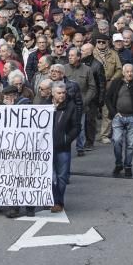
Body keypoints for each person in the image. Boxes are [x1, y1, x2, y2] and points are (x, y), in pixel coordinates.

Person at [105, 64, 133, 178]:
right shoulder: (116, 83)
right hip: (118, 117)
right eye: (127, 72)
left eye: (131, 71)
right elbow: (107, 98)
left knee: (130, 144)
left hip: (132, 118)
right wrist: (114, 113)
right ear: (123, 73)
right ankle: (119, 164)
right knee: (117, 141)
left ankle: (128, 166)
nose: (129, 74)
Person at [50, 81, 79, 213]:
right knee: (50, 176)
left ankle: (58, 202)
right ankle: (53, 199)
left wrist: (67, 139)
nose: (62, 95)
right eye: (59, 93)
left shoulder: (71, 106)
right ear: (53, 93)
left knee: (61, 176)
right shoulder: (46, 105)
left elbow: (76, 127)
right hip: (47, 148)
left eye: (63, 93)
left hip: (63, 148)